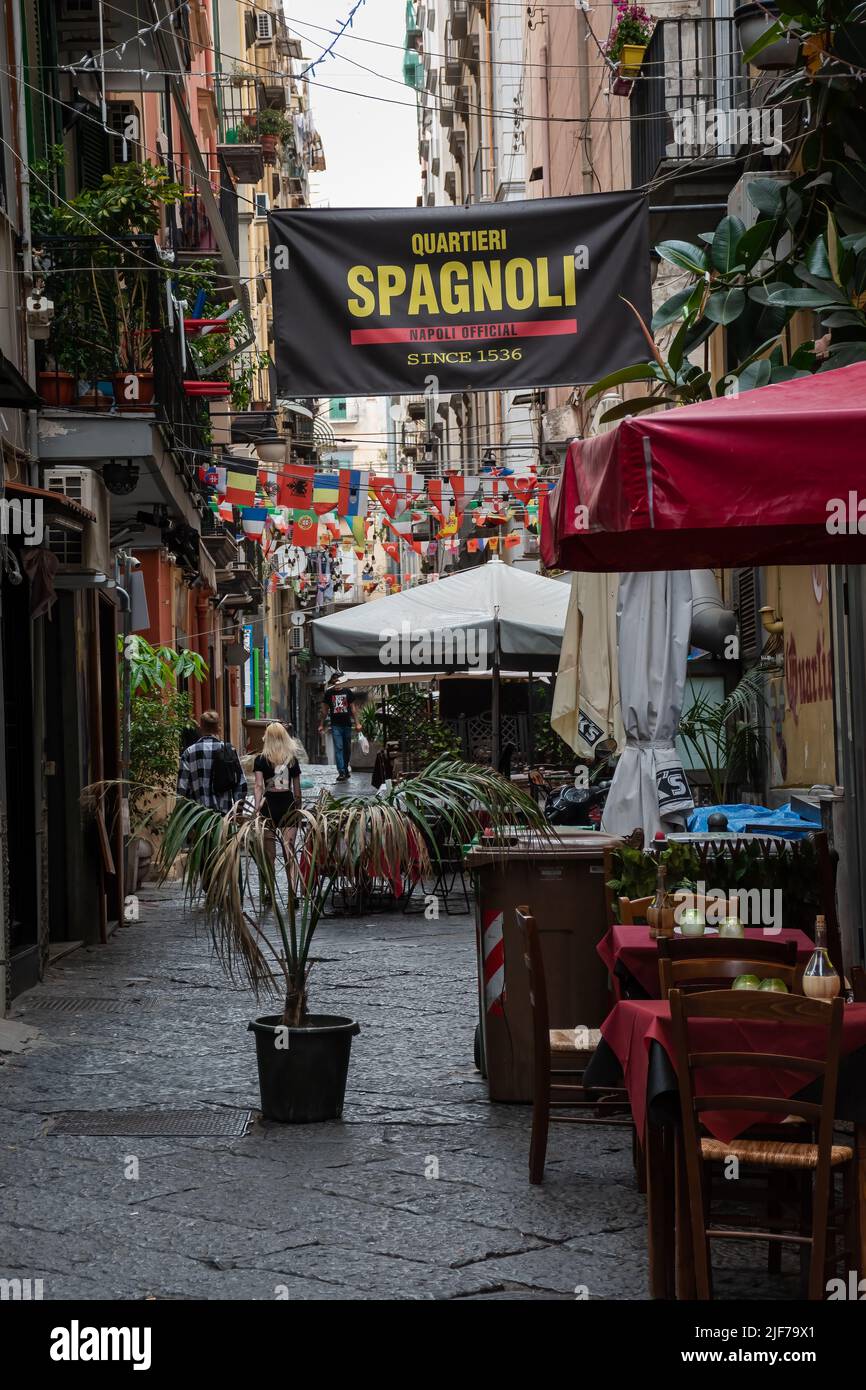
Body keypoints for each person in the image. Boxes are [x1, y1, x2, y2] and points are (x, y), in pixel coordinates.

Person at [176, 710, 247, 812]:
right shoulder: (228, 751)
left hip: (198, 817)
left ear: (200, 728)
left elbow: (182, 788)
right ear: (218, 729)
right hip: (224, 817)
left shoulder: (189, 753)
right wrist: (238, 812)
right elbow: (241, 785)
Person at [320, 674, 360, 782]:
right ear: (332, 683)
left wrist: (357, 723)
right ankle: (341, 771)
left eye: (338, 682)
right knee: (339, 747)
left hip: (347, 724)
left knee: (347, 749)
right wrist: (321, 724)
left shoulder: (347, 692)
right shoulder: (329, 693)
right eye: (334, 682)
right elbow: (324, 710)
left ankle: (345, 769)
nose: (336, 684)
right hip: (335, 725)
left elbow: (353, 708)